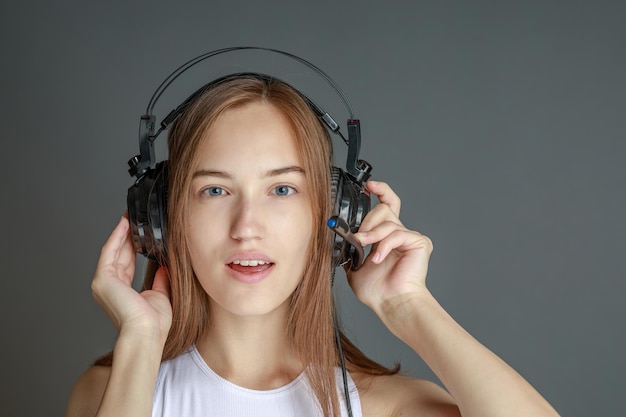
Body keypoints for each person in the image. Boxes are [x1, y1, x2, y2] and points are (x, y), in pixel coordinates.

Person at [66, 73, 560, 417]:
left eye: (283, 189)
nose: (247, 226)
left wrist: (408, 307)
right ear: (164, 217)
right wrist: (141, 341)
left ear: (334, 216)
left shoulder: (384, 407)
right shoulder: (117, 392)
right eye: (215, 190)